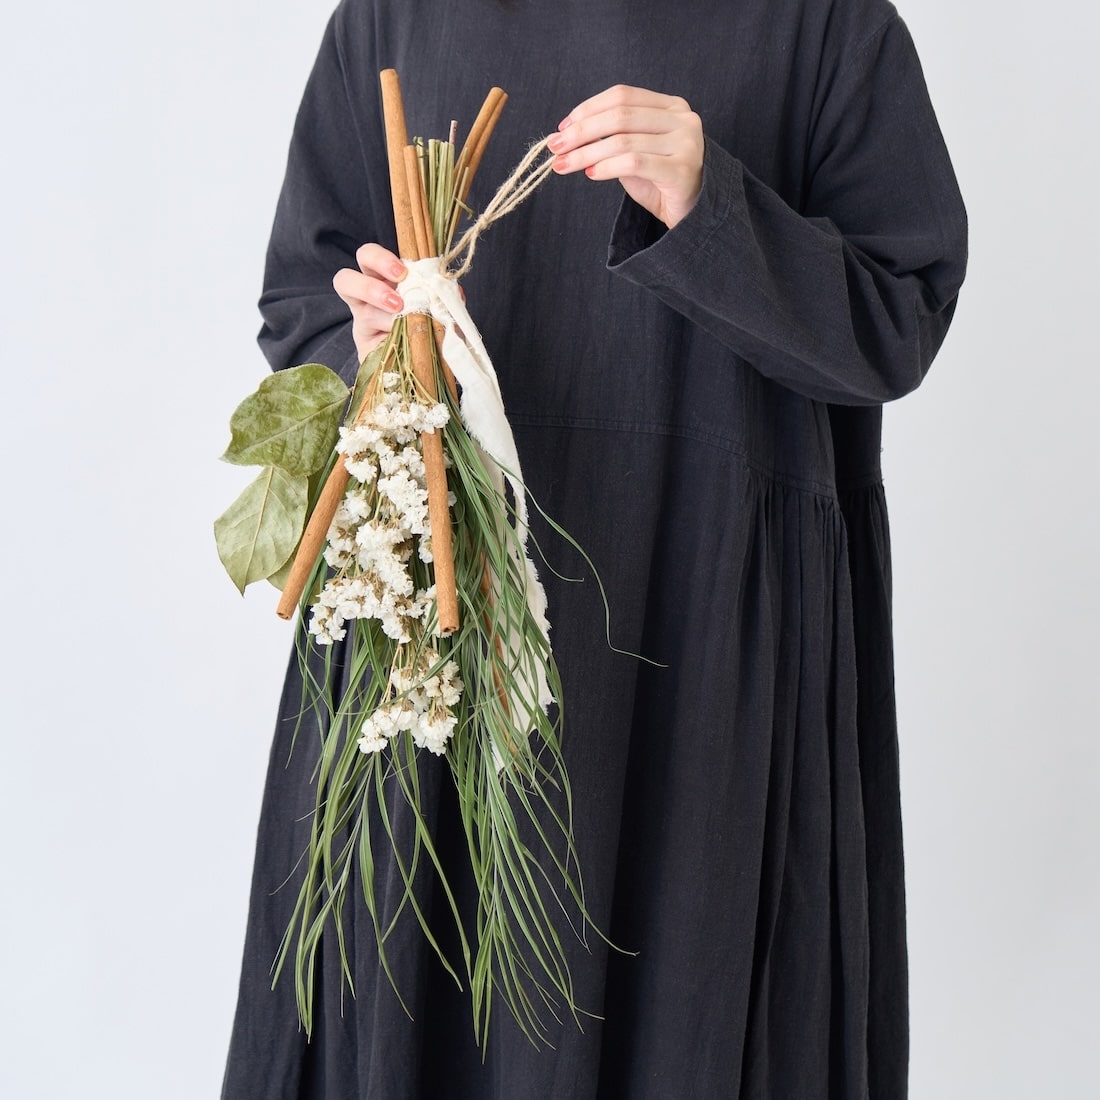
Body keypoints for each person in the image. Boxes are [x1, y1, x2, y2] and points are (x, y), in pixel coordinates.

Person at [222, 0, 967, 1096]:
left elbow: (897, 322)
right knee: (409, 1002)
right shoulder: (397, 14)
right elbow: (305, 301)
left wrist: (709, 202)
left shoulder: (824, 25)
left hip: (702, 629)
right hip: (433, 625)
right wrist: (368, 339)